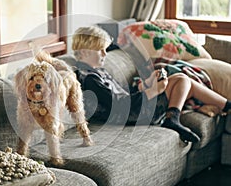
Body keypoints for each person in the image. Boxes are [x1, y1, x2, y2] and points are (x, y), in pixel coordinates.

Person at [72, 26, 231, 143]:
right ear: (85, 52)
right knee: (181, 80)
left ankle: (224, 107)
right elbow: (119, 105)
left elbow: (122, 93)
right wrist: (153, 90)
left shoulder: (98, 72)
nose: (105, 54)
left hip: (134, 107)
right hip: (134, 114)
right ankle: (174, 117)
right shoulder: (90, 79)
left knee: (180, 80)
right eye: (101, 50)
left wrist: (144, 86)